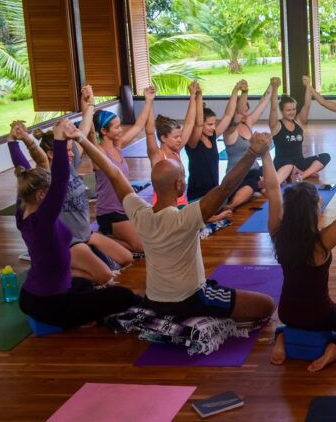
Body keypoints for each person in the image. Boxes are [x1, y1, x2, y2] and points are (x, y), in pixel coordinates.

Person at [102, 131, 277, 321]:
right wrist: (252, 152)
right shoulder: (185, 218)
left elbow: (114, 175)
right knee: (266, 305)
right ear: (178, 184)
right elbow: (225, 187)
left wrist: (81, 139)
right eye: (184, 177)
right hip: (191, 299)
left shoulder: (139, 213)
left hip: (154, 300)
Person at [265, 145, 336, 371]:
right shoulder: (322, 242)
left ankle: (282, 338)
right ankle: (334, 352)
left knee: (290, 322)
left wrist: (263, 154)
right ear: (313, 211)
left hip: (287, 313)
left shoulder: (278, 234)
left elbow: (272, 188)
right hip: (320, 316)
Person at [17, 118, 137, 329]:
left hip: (29, 297)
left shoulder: (22, 213)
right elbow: (60, 180)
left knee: (84, 285)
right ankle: (82, 319)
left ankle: (84, 313)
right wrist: (59, 140)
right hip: (52, 303)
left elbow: (22, 170)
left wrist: (13, 142)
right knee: (123, 296)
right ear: (42, 194)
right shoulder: (44, 220)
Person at [91, 85, 157, 253]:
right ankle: (99, 240)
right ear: (104, 131)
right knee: (142, 247)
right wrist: (88, 105)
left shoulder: (118, 146)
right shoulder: (98, 153)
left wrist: (148, 100)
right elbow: (90, 137)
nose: (121, 130)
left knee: (152, 239)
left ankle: (108, 240)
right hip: (109, 213)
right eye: (116, 127)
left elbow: (138, 126)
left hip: (127, 209)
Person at [184, 79, 240, 206]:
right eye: (209, 124)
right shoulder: (193, 142)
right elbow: (197, 123)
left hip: (213, 191)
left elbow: (228, 115)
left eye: (214, 124)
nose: (213, 127)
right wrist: (198, 96)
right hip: (197, 196)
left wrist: (235, 91)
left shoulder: (212, 137)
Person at [222, 79, 273, 211]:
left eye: (247, 111)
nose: (245, 114)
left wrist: (272, 86)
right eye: (242, 111)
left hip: (254, 170)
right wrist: (243, 92)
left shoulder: (248, 123)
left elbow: (262, 104)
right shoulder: (230, 131)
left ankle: (260, 186)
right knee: (252, 182)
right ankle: (230, 206)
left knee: (271, 170)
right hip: (238, 174)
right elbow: (235, 114)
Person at [146, 81, 200, 207]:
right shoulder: (157, 156)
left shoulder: (177, 151)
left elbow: (190, 123)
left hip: (181, 204)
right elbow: (149, 132)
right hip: (164, 208)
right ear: (163, 138)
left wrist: (192, 96)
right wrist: (149, 102)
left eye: (180, 137)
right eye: (176, 137)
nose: (180, 140)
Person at [269, 77, 331, 183]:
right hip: (282, 163)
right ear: (282, 111)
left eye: (294, 109)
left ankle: (301, 176)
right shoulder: (276, 125)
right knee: (288, 165)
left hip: (299, 162)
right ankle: (297, 174)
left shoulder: (299, 122)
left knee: (325, 157)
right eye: (288, 110)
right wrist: (275, 88)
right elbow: (273, 107)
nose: (292, 112)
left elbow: (307, 105)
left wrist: (308, 86)